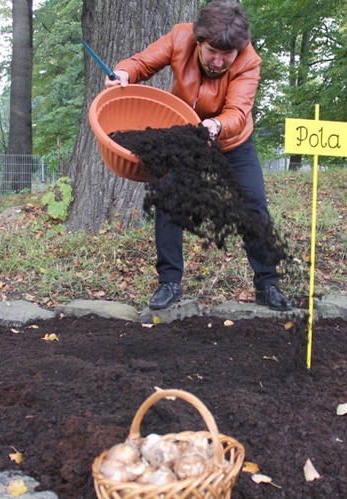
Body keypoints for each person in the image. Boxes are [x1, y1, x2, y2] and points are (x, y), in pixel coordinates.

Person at [105, 0, 293, 312]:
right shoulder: (180, 37)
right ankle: (169, 283)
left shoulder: (249, 61)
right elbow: (142, 63)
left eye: (227, 56)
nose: (219, 62)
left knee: (254, 204)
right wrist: (123, 73)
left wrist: (216, 125)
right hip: (184, 137)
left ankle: (267, 285)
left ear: (239, 50)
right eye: (212, 53)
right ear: (199, 41)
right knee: (168, 196)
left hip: (231, 140)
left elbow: (237, 112)